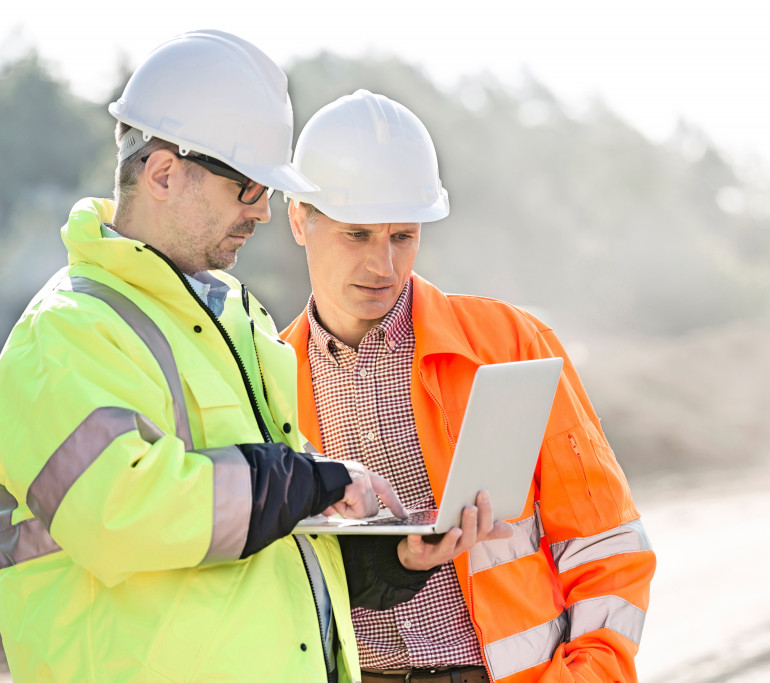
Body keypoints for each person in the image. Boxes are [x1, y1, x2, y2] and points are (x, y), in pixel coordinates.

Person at [0, 33, 503, 683]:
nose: (264, 212)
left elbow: (255, 552)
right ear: (162, 173)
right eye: (247, 188)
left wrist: (391, 563)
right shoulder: (65, 335)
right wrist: (305, 479)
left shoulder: (239, 323)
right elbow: (118, 512)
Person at [281, 90, 657, 683]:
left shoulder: (509, 343)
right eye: (357, 235)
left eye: (402, 236)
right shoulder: (269, 378)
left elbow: (606, 543)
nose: (383, 265)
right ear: (299, 218)